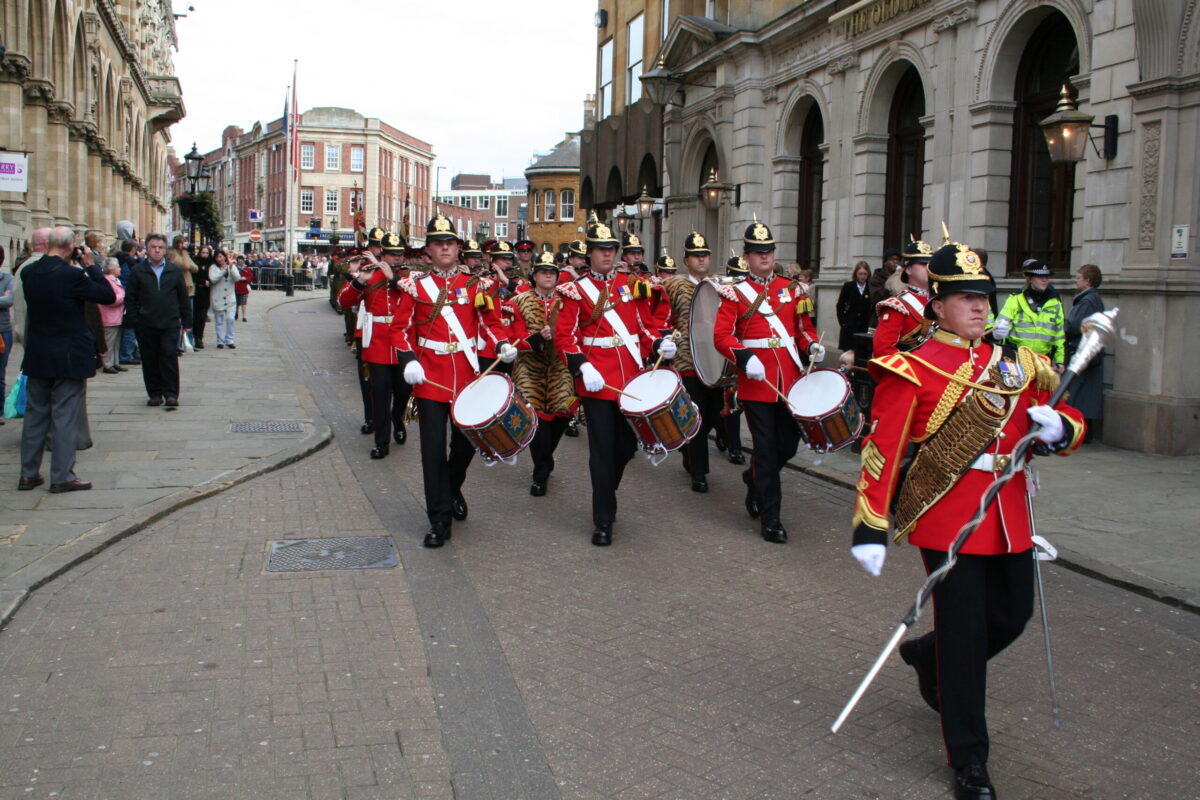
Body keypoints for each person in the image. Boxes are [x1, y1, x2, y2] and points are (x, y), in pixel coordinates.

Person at [849, 237, 1085, 800]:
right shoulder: (913, 367)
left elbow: (1068, 411)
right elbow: (883, 448)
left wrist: (1060, 430)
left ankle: (925, 655)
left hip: (1010, 514)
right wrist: (870, 524)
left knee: (1012, 616)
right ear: (938, 305)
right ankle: (970, 760)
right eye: (964, 298)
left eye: (984, 296)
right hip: (947, 517)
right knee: (966, 634)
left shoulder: (1018, 362)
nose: (980, 306)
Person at [392, 215, 515, 547]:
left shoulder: (476, 285)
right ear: (429, 250)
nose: (444, 247)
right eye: (437, 242)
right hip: (430, 377)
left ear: (458, 248)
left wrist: (502, 343)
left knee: (466, 445)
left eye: (450, 242)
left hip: (468, 376)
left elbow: (490, 322)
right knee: (431, 451)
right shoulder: (414, 286)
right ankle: (439, 518)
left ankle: (451, 487)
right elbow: (399, 331)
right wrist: (409, 360)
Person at [554, 218, 675, 547]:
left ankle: (608, 491)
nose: (606, 255)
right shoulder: (574, 289)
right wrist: (582, 366)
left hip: (632, 376)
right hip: (597, 382)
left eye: (611, 249)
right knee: (602, 452)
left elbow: (644, 325)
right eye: (600, 250)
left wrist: (658, 343)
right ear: (589, 254)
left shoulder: (633, 283)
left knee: (626, 446)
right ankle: (603, 518)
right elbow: (565, 337)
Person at [713, 220, 822, 544]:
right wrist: (745, 358)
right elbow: (722, 336)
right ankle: (771, 518)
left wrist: (812, 344)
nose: (765, 257)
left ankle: (754, 477)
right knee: (765, 445)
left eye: (769, 251)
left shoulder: (792, 289)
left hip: (788, 380)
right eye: (758, 253)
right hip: (757, 381)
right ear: (746, 257)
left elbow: (802, 329)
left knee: (788, 444)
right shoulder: (734, 292)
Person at [18, 226, 115, 492]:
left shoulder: (29, 273)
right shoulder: (72, 275)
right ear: (70, 246)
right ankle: (62, 476)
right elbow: (107, 295)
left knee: (35, 414)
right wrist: (92, 266)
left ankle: (28, 474)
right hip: (69, 355)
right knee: (64, 416)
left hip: (38, 354)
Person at [338, 231, 412, 459]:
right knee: (380, 395)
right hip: (378, 344)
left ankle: (398, 419)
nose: (397, 259)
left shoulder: (410, 276)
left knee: (402, 392)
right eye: (391, 255)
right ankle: (382, 442)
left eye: (399, 255)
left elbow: (417, 295)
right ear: (383, 254)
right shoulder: (370, 275)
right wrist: (359, 281)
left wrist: (393, 277)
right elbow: (343, 301)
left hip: (403, 346)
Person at [660, 232, 723, 493]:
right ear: (686, 260)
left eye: (705, 255)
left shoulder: (719, 285)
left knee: (713, 411)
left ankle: (688, 447)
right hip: (686, 357)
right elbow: (662, 318)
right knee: (695, 412)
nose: (701, 260)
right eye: (696, 256)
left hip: (715, 358)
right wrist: (665, 341)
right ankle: (699, 471)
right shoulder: (673, 284)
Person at [510, 252, 577, 496]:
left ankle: (546, 457)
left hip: (561, 365)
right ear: (534, 276)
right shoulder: (518, 301)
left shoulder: (569, 299)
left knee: (561, 413)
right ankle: (540, 470)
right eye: (543, 272)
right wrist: (537, 338)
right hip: (530, 366)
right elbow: (513, 337)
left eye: (552, 273)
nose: (548, 276)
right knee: (534, 420)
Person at [124, 233, 192, 407]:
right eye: (153, 247)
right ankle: (154, 393)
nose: (156, 250)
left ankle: (171, 394)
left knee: (169, 356)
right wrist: (134, 319)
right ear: (147, 249)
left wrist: (186, 321)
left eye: (160, 247)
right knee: (150, 358)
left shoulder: (174, 270)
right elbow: (130, 298)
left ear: (164, 249)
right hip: (146, 323)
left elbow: (182, 297)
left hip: (169, 322)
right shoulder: (138, 271)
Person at [992, 259, 1066, 373]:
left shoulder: (1055, 303)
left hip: (1043, 362)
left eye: (1047, 276)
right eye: (1040, 276)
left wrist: (1060, 361)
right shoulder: (1015, 299)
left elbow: (1059, 335)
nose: (1044, 280)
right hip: (1016, 360)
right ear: (1030, 278)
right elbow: (1001, 326)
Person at [872, 238, 933, 358]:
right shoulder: (897, 306)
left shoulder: (938, 302)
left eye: (931, 264)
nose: (928, 268)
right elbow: (883, 350)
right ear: (908, 269)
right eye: (923, 264)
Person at [1065, 264, 1105, 440]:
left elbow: (1074, 325)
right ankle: (1083, 433)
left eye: (1078, 277)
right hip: (1089, 353)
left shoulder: (1087, 301)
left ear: (1087, 281)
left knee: (1076, 394)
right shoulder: (1093, 299)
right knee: (1084, 395)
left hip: (1081, 353)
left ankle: (1077, 432)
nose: (1076, 280)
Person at [836, 261, 873, 354]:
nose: (862, 276)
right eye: (860, 274)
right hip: (850, 325)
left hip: (864, 326)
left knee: (862, 353)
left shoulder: (871, 288)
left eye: (865, 274)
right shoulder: (849, 286)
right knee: (848, 352)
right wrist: (843, 322)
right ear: (856, 274)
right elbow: (840, 305)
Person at [98, 258, 127, 373]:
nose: (120, 269)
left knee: (116, 342)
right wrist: (124, 298)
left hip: (117, 315)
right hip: (109, 316)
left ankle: (115, 362)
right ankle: (107, 364)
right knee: (109, 342)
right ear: (111, 269)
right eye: (118, 267)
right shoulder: (106, 281)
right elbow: (111, 298)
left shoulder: (116, 280)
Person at [171, 236, 199, 352]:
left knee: (189, 316)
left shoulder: (185, 254)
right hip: (178, 288)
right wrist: (186, 259)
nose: (183, 245)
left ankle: (189, 342)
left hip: (189, 288)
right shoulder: (172, 254)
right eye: (181, 243)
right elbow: (186, 266)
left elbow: (195, 268)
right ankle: (178, 343)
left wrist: (186, 258)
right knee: (177, 317)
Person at [208, 250, 240, 350]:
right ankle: (220, 341)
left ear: (225, 257)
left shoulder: (231, 266)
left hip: (230, 297)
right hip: (218, 297)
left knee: (230, 318)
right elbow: (213, 279)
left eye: (221, 257)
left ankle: (230, 340)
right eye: (217, 257)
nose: (220, 259)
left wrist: (231, 268)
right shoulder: (213, 268)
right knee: (219, 321)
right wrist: (224, 270)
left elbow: (237, 278)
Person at [867, 248, 902, 325]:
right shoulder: (876, 278)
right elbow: (878, 297)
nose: (895, 262)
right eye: (892, 259)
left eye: (898, 260)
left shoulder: (903, 277)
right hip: (879, 319)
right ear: (885, 262)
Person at [192, 244, 213, 349]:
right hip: (197, 292)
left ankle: (200, 337)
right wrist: (203, 281)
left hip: (206, 293)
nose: (205, 255)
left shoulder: (211, 264)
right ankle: (195, 337)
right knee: (195, 317)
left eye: (206, 253)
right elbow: (193, 277)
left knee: (202, 317)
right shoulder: (195, 262)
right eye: (203, 252)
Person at [234, 255, 252, 321]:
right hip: (236, 288)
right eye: (239, 261)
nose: (240, 263)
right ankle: (236, 314)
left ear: (243, 261)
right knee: (236, 303)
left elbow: (250, 277)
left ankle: (244, 316)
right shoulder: (234, 268)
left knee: (243, 303)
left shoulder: (246, 269)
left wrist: (246, 278)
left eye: (241, 261)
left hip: (244, 288)